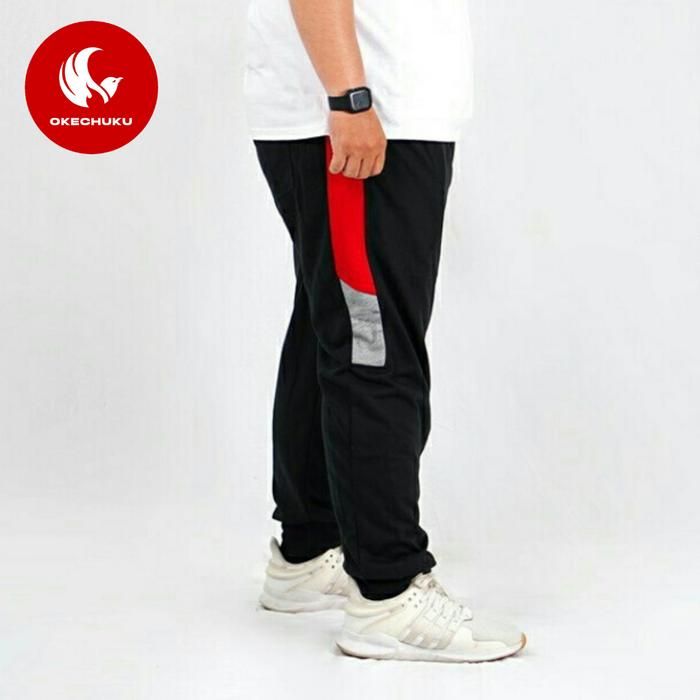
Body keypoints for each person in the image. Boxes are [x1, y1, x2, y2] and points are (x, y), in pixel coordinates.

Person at [245, 0, 526, 662]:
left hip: (384, 110)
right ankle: (387, 593)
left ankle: (308, 550)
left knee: (334, 324)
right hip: (359, 115)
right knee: (372, 346)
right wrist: (350, 97)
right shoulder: (355, 106)